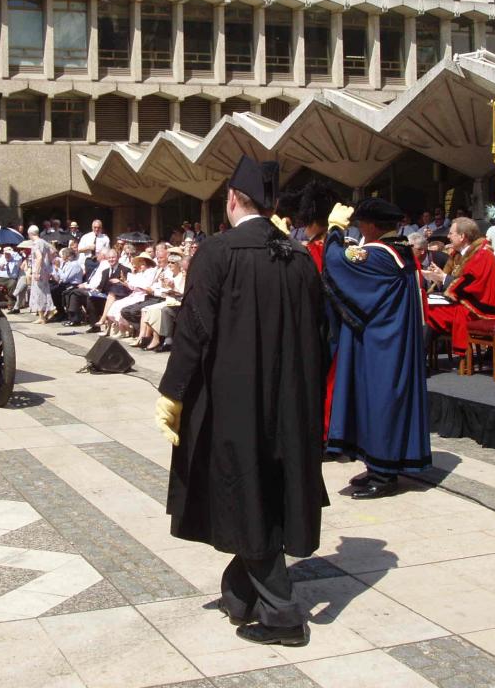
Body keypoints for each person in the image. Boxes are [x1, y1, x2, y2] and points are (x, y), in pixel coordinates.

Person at [155, 155, 326, 647]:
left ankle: (283, 614)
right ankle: (239, 592)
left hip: (235, 401)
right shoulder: (298, 258)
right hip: (291, 401)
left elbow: (194, 330)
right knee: (266, 490)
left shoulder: (218, 252)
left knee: (244, 493)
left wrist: (173, 392)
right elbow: (322, 335)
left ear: (232, 199)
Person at [323, 198, 431, 498]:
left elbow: (335, 263)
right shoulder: (400, 249)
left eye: (360, 223)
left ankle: (384, 475)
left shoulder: (378, 253)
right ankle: (377, 466)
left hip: (381, 342)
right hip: (391, 335)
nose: (358, 227)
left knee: (379, 400)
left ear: (371, 226)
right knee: (378, 400)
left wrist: (333, 230)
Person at [422, 218, 495, 358]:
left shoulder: (482, 255)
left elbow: (468, 285)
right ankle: (419, 357)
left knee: (428, 313)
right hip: (464, 302)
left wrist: (443, 278)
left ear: (462, 236)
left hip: (478, 308)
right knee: (423, 306)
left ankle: (418, 359)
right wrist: (438, 278)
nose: (448, 236)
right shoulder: (461, 255)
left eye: (451, 233)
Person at [26, 226, 57, 322]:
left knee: (38, 293)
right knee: (44, 291)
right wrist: (48, 263)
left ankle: (50, 310)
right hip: (45, 270)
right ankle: (42, 316)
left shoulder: (35, 243)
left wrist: (36, 271)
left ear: (30, 234)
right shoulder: (43, 242)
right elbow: (54, 251)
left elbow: (39, 257)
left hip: (39, 271)